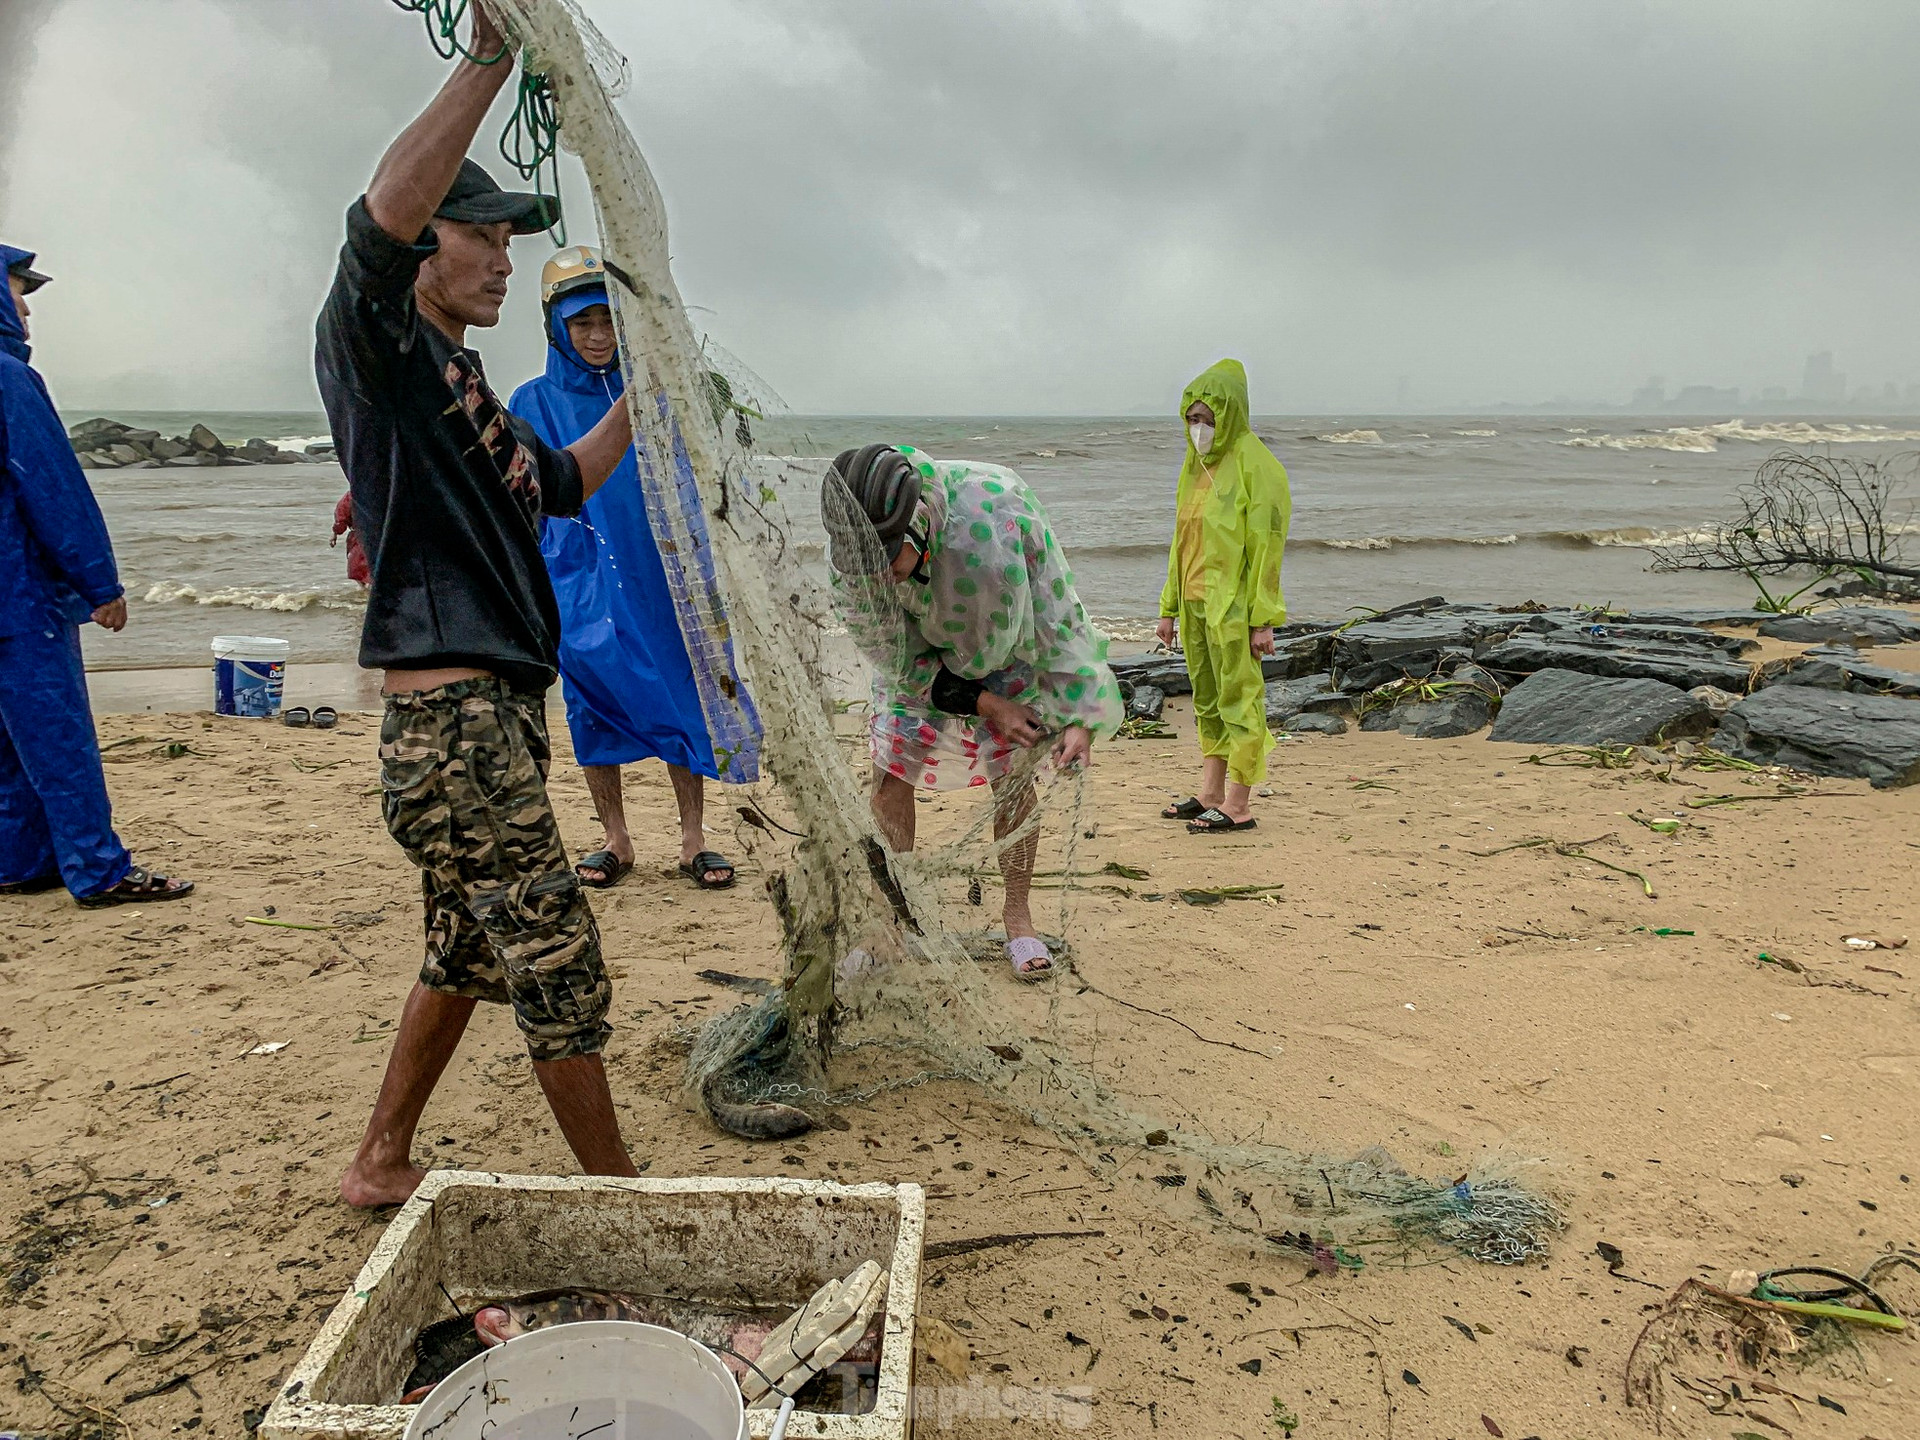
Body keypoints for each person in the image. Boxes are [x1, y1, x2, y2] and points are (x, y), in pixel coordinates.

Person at [315, 5, 642, 1208]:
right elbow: (371, 225)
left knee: (465, 944)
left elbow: (559, 484)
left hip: (493, 722)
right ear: (425, 246)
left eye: (511, 239)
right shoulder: (377, 340)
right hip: (449, 724)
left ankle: (379, 1158)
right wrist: (490, 62)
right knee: (558, 961)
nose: (504, 259)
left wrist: (643, 397)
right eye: (482, 235)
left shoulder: (464, 385)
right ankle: (627, 1205)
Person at [508, 246, 758, 893]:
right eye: (582, 323)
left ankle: (694, 837)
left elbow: (696, 481)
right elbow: (521, 497)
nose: (597, 336)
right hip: (578, 577)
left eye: (609, 321)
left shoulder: (656, 395)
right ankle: (615, 837)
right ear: (556, 326)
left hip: (661, 573)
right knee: (592, 702)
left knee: (682, 692)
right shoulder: (531, 400)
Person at [822, 444, 1120, 980]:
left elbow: (1058, 608)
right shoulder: (855, 560)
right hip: (915, 663)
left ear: (917, 526)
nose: (876, 576)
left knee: (1010, 780)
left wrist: (1079, 713)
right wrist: (984, 705)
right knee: (891, 775)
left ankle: (1018, 916)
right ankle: (888, 926)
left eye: (887, 560)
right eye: (862, 566)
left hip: (1009, 652)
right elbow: (900, 660)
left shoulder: (1002, 506)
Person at [0, 245, 193, 907]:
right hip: (18, 597)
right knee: (56, 736)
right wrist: (100, 584)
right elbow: (51, 490)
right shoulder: (9, 380)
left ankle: (22, 862)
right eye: (17, 290)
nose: (25, 308)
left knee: (8, 741)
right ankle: (99, 870)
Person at [1155, 359, 1292, 834]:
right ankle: (1210, 792)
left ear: (1229, 415)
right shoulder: (1194, 467)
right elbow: (1181, 540)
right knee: (1208, 699)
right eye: (1192, 420)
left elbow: (1267, 547)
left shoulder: (1258, 467)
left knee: (1241, 699)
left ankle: (1238, 805)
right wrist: (1169, 608)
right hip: (1195, 605)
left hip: (1233, 607)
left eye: (1208, 420)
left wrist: (1263, 618)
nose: (1199, 429)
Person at [330, 491, 369, 587]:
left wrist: (335, 533)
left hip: (361, 537)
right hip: (384, 535)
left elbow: (341, 517)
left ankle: (365, 593)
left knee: (358, 568)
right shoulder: (387, 491)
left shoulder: (351, 495)